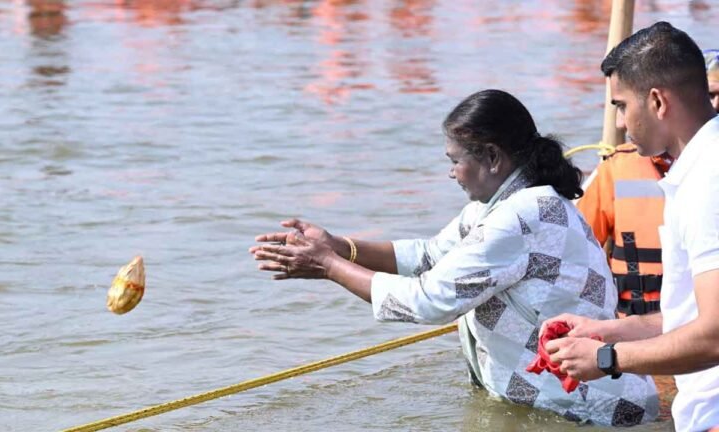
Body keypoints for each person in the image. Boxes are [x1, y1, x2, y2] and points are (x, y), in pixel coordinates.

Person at [251, 89, 658, 425]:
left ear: (492, 158)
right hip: (555, 404)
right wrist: (341, 247)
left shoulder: (521, 216)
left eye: (455, 161)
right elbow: (429, 256)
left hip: (591, 410)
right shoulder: (497, 206)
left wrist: (327, 266)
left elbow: (429, 302)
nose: (451, 173)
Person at [542, 22, 719, 432]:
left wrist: (607, 359)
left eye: (621, 105)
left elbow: (714, 335)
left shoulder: (707, 182)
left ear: (656, 101)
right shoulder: (699, 168)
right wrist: (607, 331)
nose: (620, 123)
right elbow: (691, 316)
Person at [576, 48, 719, 318]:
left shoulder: (707, 173)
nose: (620, 123)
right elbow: (574, 256)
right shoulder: (616, 169)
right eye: (711, 95)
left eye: (623, 106)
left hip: (690, 333)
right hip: (637, 322)